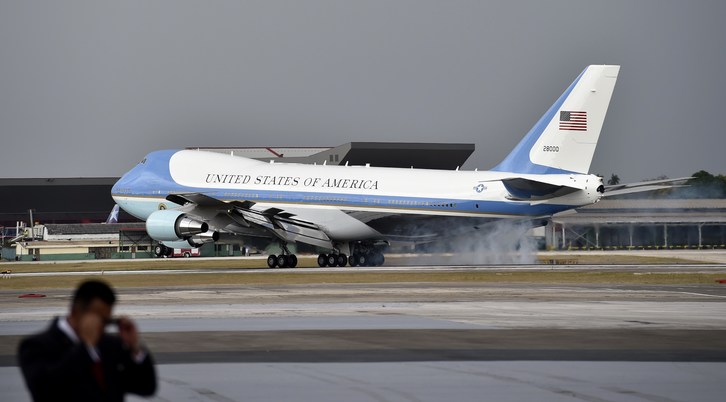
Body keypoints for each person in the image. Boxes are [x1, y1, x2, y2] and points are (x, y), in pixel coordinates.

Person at [18, 280, 157, 401]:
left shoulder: (109, 345)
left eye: (106, 321)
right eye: (100, 319)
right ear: (75, 312)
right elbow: (46, 392)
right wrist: (86, 348)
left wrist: (135, 348)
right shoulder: (36, 346)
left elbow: (146, 387)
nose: (103, 327)